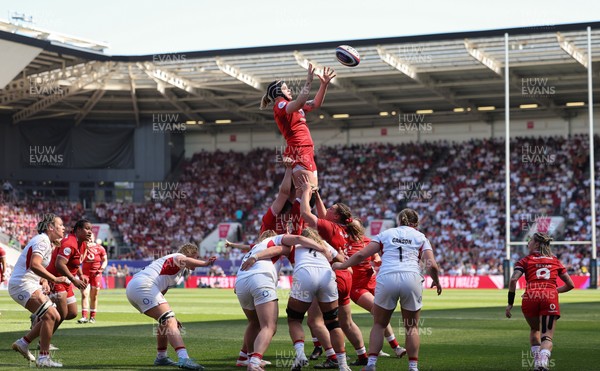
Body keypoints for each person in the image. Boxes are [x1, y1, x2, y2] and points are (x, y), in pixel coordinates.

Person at [333, 208, 442, 371]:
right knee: (411, 326)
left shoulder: (386, 234)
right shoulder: (420, 237)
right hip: (411, 278)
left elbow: (361, 255)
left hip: (387, 277)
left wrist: (342, 265)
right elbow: (432, 265)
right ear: (416, 224)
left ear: (399, 221)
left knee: (379, 324)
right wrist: (436, 281)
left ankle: (371, 365)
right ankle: (413, 367)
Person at [242, 228, 350, 371]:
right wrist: (340, 257)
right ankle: (343, 365)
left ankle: (300, 355)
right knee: (332, 323)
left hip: (305, 275)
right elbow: (343, 260)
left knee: (294, 319)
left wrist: (255, 256)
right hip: (327, 277)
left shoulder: (294, 245)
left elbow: (275, 250)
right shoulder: (324, 244)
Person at [298, 176, 373, 366]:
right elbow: (323, 216)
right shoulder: (345, 228)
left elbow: (306, 214)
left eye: (332, 209)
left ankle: (334, 358)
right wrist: (318, 195)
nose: (327, 209)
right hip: (347, 275)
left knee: (316, 321)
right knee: (346, 321)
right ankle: (363, 355)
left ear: (336, 216)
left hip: (332, 276)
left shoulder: (330, 228)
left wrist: (307, 191)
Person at [126, 243, 217, 370]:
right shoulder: (178, 256)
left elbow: (161, 294)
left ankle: (161, 357)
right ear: (189, 254)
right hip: (142, 286)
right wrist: (205, 263)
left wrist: (168, 317)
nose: (195, 264)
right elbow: (183, 259)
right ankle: (184, 358)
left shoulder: (177, 271)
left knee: (166, 322)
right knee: (168, 320)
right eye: (195, 258)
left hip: (139, 287)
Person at [260, 64, 336, 196]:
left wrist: (324, 85)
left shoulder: (292, 106)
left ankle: (298, 216)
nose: (289, 90)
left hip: (306, 151)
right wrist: (308, 82)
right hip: (299, 150)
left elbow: (316, 103)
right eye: (285, 88)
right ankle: (296, 216)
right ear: (278, 92)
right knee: (307, 195)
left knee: (310, 195)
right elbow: (300, 103)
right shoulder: (280, 104)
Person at [505, 232, 575, 371]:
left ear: (537, 244)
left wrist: (510, 303)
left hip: (530, 297)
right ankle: (542, 363)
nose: (528, 243)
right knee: (547, 337)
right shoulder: (555, 261)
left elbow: (513, 280)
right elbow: (570, 284)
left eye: (530, 240)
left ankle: (537, 363)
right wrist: (554, 291)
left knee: (534, 329)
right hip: (549, 296)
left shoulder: (525, 260)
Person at [9, 213, 69, 367]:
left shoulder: (46, 241)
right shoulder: (42, 240)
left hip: (28, 283)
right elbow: (34, 265)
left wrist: (43, 279)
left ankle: (24, 343)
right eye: (60, 225)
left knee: (54, 315)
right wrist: (54, 279)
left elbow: (35, 265)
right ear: (50, 227)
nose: (63, 228)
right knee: (50, 315)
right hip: (22, 284)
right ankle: (43, 358)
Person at [346, 220, 406, 364]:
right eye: (351, 226)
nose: (354, 228)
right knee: (378, 311)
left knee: (381, 314)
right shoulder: (344, 243)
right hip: (356, 287)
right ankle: (396, 347)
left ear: (360, 228)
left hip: (372, 283)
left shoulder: (368, 241)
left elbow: (376, 256)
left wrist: (377, 261)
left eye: (356, 226)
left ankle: (378, 347)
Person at [46, 219, 91, 323]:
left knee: (72, 313)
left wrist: (80, 275)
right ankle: (40, 335)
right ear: (79, 230)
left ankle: (42, 316)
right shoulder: (70, 243)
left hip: (66, 281)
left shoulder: (82, 243)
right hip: (55, 279)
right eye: (87, 229)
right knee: (61, 314)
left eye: (91, 229)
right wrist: (74, 279)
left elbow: (74, 262)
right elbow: (59, 264)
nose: (90, 232)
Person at [78, 234, 107, 324]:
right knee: (84, 294)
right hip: (85, 274)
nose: (90, 238)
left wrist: (101, 268)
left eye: (91, 237)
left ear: (94, 238)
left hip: (96, 274)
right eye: (88, 237)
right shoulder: (82, 248)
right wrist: (85, 248)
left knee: (94, 296)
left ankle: (92, 317)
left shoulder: (100, 248)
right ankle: (84, 317)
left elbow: (105, 260)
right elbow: (79, 261)